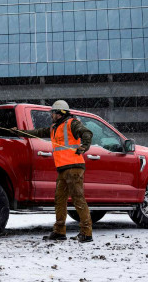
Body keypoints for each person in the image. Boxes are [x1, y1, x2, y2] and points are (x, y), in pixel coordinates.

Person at [21, 100, 94, 242]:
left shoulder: (72, 123)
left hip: (74, 168)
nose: (51, 115)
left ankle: (86, 233)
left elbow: (87, 133)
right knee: (59, 200)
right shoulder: (55, 127)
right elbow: (38, 132)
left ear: (60, 114)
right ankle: (59, 231)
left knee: (78, 199)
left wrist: (84, 146)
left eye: (53, 113)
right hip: (63, 169)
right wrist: (20, 132)